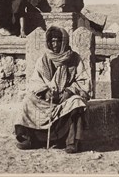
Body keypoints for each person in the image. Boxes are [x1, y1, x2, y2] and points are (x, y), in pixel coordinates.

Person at [15, 26, 91, 154]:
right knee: (28, 101)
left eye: (58, 41)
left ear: (64, 42)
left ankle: (72, 142)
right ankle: (28, 139)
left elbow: (83, 81)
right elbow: (35, 80)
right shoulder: (43, 60)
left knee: (77, 103)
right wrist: (45, 91)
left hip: (65, 99)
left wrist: (70, 91)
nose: (55, 44)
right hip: (47, 99)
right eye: (52, 41)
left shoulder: (74, 59)